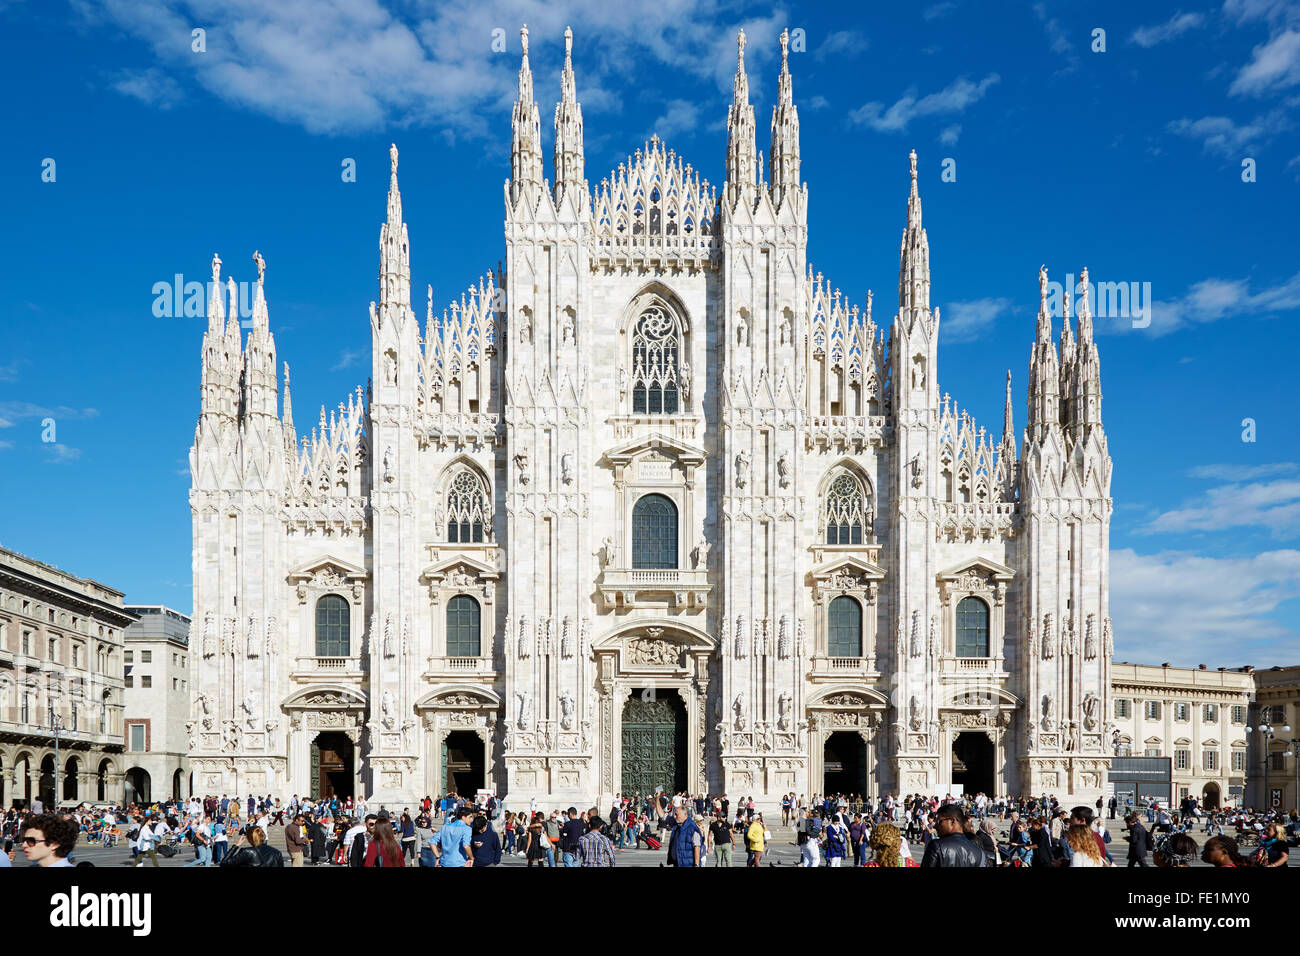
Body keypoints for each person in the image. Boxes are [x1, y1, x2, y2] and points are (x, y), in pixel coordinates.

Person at [920, 804, 985, 867]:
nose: (936, 826)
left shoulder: (936, 846)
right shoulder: (980, 852)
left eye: (939, 821)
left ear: (952, 821)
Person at [220, 825, 284, 867]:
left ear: (249, 838)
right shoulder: (276, 852)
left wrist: (236, 846)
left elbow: (224, 863)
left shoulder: (247, 852)